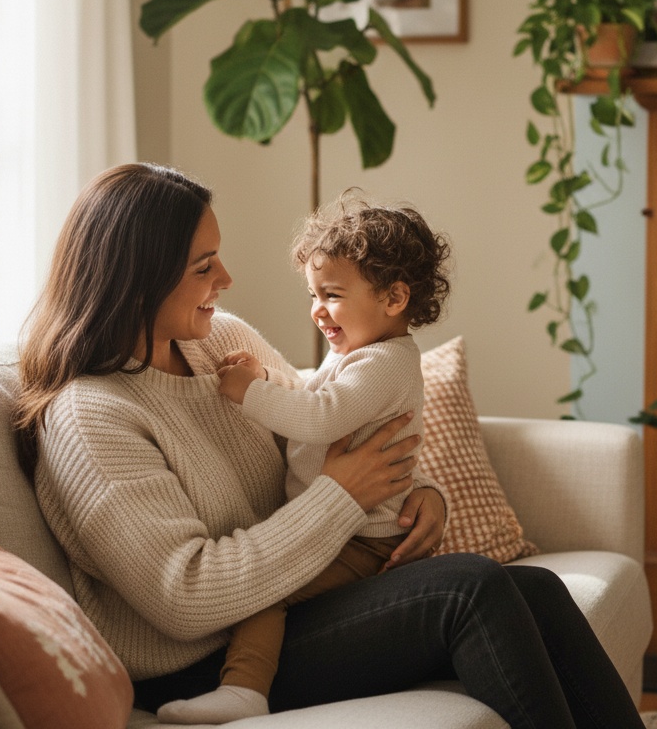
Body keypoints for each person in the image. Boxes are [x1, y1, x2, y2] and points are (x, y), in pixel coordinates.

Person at [13, 162, 647, 729]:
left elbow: (327, 425)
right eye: (204, 266)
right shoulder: (90, 416)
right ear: (138, 281)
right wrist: (344, 496)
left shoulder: (216, 342)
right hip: (207, 658)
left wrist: (415, 492)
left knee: (534, 589)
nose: (227, 278)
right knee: (469, 590)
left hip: (285, 601)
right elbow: (186, 596)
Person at [158, 196, 452, 724]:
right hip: (344, 526)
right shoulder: (357, 353)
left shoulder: (385, 363)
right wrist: (269, 381)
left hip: (361, 536)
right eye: (314, 295)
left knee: (265, 596)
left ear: (394, 297)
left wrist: (248, 392)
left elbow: (318, 417)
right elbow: (310, 394)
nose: (317, 310)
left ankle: (245, 689)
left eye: (333, 295)